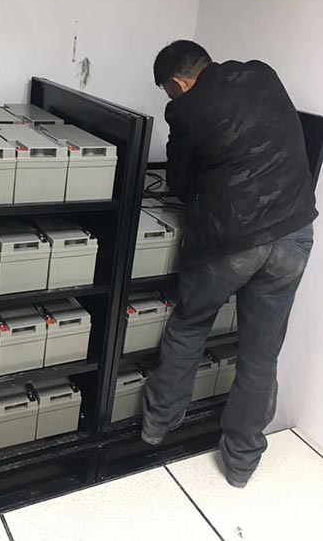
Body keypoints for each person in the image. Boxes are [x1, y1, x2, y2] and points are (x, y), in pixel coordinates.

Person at [142, 40, 317, 488]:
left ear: (177, 83)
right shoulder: (262, 72)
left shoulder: (186, 108)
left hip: (232, 241)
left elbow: (180, 181)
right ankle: (241, 464)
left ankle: (158, 425)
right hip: (296, 230)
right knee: (260, 355)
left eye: (167, 91)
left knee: (190, 324)